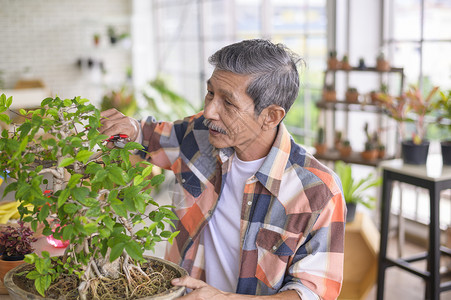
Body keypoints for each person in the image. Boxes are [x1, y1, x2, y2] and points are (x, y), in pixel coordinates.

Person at [100, 39, 346, 300]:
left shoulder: (318, 192)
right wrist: (129, 128)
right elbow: (147, 137)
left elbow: (309, 293)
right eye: (210, 93)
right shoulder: (199, 134)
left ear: (271, 116)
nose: (209, 111)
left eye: (228, 103)